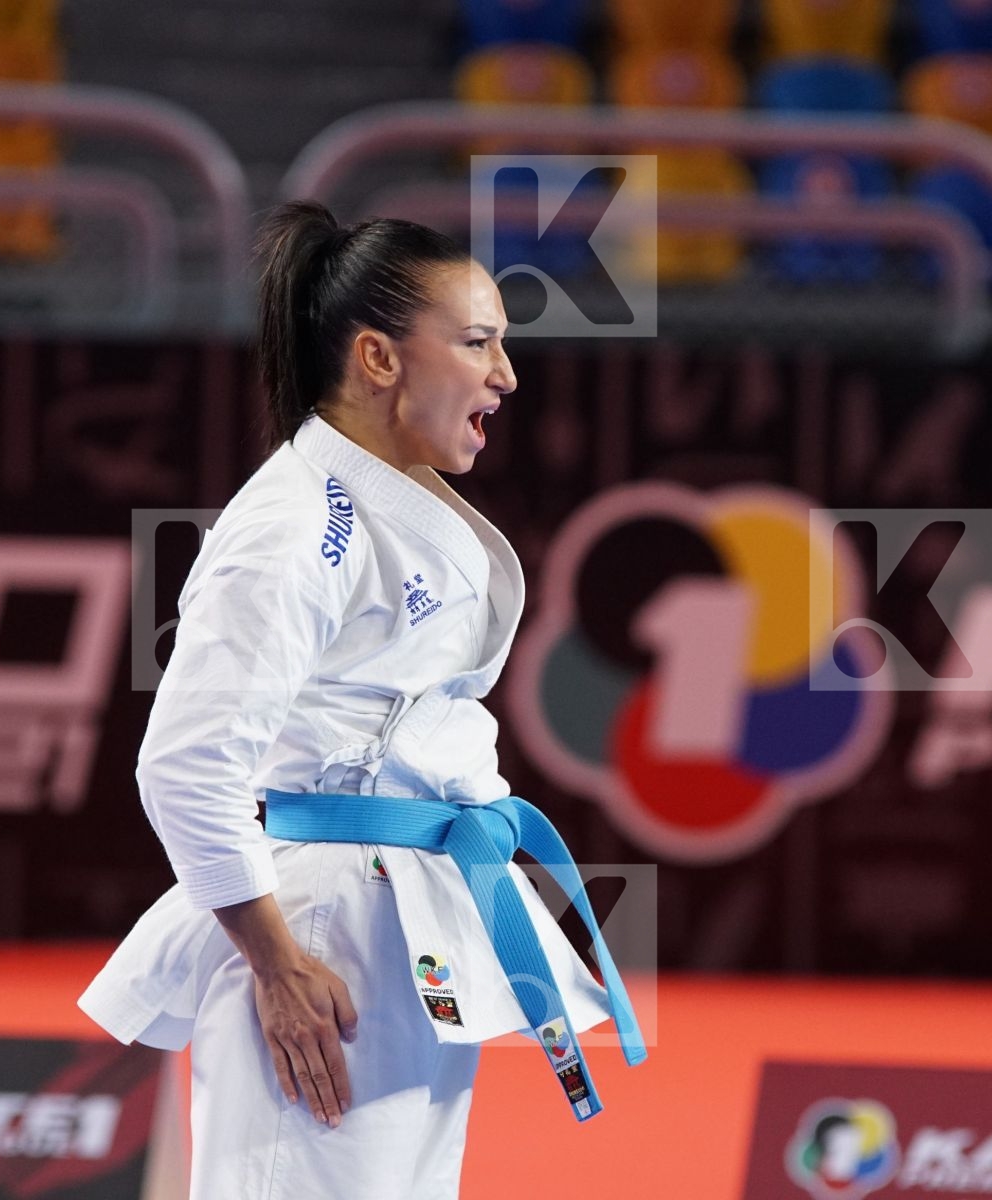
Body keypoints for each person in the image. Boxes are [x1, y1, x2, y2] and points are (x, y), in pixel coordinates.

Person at [77, 200, 645, 1199]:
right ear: (379, 359)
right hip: (321, 929)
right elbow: (182, 764)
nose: (505, 377)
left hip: (400, 910)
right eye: (476, 343)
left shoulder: (380, 503)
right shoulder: (295, 526)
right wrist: (276, 964)